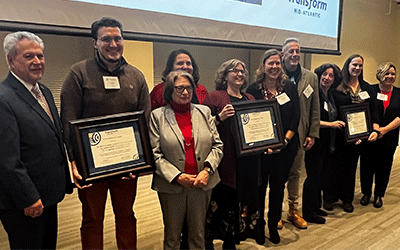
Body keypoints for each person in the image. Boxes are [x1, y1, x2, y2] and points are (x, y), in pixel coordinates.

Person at [61, 17, 151, 249]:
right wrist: (72, 160)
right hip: (90, 167)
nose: (113, 44)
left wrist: (141, 163)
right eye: (106, 39)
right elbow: (69, 121)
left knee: (126, 215)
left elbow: (145, 122)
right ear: (95, 43)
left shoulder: (137, 77)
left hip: (126, 165)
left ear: (123, 40)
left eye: (118, 38)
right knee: (92, 219)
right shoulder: (78, 73)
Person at [0, 31, 72, 249]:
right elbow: (7, 159)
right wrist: (29, 198)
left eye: (40, 56)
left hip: (48, 195)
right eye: (28, 56)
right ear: (11, 61)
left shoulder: (45, 92)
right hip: (23, 202)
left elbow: (52, 136)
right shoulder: (3, 98)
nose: (37, 61)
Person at [149, 70, 223, 250]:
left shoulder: (204, 112)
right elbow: (155, 153)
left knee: (198, 235)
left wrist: (207, 170)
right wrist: (177, 176)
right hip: (172, 185)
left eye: (189, 88)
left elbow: (217, 146)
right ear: (169, 90)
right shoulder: (157, 116)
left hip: (201, 183)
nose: (185, 92)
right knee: (172, 237)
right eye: (179, 88)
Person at [202, 59, 259, 248]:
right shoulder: (214, 97)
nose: (240, 74)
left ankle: (232, 241)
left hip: (247, 160)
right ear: (225, 75)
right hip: (225, 161)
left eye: (242, 71)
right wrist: (219, 118)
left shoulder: (250, 98)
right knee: (223, 203)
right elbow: (202, 128)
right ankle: (210, 238)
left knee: (240, 202)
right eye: (234, 70)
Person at [247, 49, 300, 244]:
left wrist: (284, 141)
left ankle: (273, 224)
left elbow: (296, 117)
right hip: (260, 152)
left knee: (278, 188)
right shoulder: (252, 89)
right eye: (270, 63)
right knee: (259, 189)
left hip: (284, 149)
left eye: (278, 63)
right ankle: (258, 225)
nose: (275, 67)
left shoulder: (290, 88)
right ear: (263, 66)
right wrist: (262, 145)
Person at [326, 54, 379, 213]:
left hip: (359, 137)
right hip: (340, 135)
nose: (357, 68)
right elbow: (332, 110)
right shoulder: (337, 88)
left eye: (360, 66)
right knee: (335, 166)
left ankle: (347, 199)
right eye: (354, 65)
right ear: (347, 66)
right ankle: (329, 198)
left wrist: (371, 132)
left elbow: (373, 111)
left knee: (350, 168)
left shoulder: (367, 88)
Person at [281, 38, 320, 230]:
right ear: (283, 55)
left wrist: (312, 133)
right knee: (278, 175)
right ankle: (275, 212)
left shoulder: (311, 77)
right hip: (279, 135)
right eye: (291, 51)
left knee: (295, 174)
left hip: (300, 134)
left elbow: (315, 108)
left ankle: (293, 210)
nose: (295, 55)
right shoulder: (274, 74)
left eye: (298, 51)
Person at [302, 64, 344, 224]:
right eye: (324, 75)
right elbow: (309, 119)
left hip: (328, 143)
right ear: (319, 76)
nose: (327, 78)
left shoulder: (331, 94)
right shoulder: (314, 94)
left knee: (321, 177)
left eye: (331, 76)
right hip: (315, 142)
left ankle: (315, 207)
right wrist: (331, 125)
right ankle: (307, 212)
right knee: (312, 177)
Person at [359, 62, 400, 208]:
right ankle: (366, 193)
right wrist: (375, 130)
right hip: (370, 137)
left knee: (384, 167)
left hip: (389, 138)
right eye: (386, 73)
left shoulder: (398, 93)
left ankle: (378, 195)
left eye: (392, 74)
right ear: (380, 75)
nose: (389, 76)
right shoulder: (370, 90)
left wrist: (384, 130)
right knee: (367, 166)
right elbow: (366, 111)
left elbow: (399, 117)